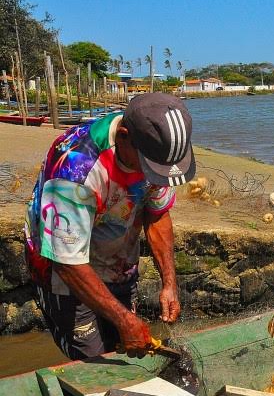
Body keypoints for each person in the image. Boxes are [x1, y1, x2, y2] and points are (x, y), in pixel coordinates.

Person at [24, 92, 196, 360]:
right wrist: (125, 320)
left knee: (128, 352)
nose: (154, 175)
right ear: (124, 136)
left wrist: (169, 283)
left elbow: (157, 214)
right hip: (65, 273)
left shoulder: (156, 148)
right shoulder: (76, 169)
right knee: (95, 363)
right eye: (150, 167)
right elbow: (67, 262)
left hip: (118, 266)